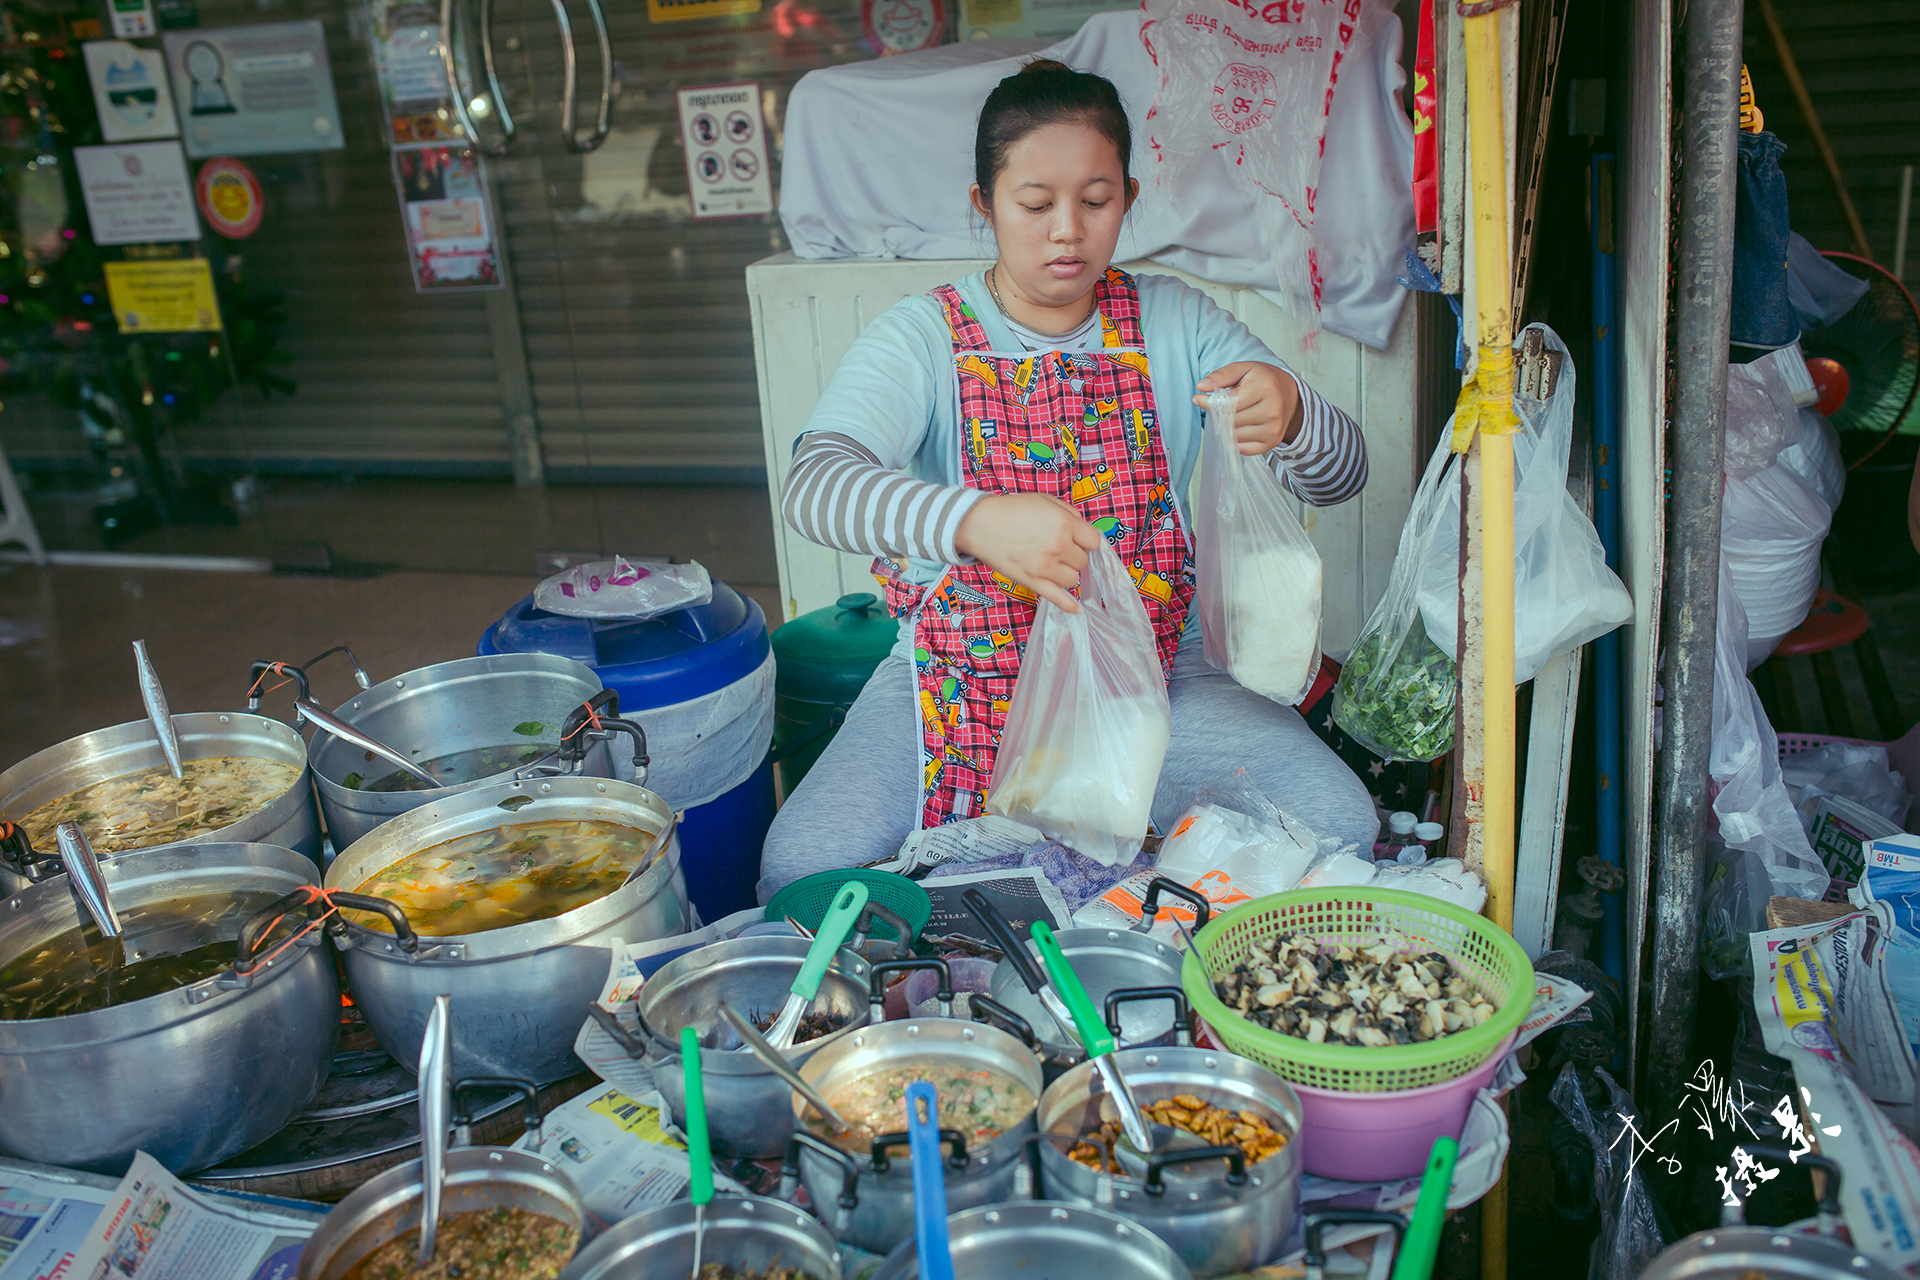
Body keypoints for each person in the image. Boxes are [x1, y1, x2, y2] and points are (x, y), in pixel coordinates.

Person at [759, 60, 1380, 902]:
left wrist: (1296, 413)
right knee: (799, 869)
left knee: (1338, 823)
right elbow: (816, 485)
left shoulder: (1176, 319)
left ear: (1126, 197)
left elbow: (1346, 474)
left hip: (1159, 665)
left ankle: (1135, 940)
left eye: (1095, 202)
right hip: (958, 670)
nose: (1067, 232)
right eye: (1034, 203)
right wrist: (975, 521)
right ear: (984, 204)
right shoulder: (922, 336)